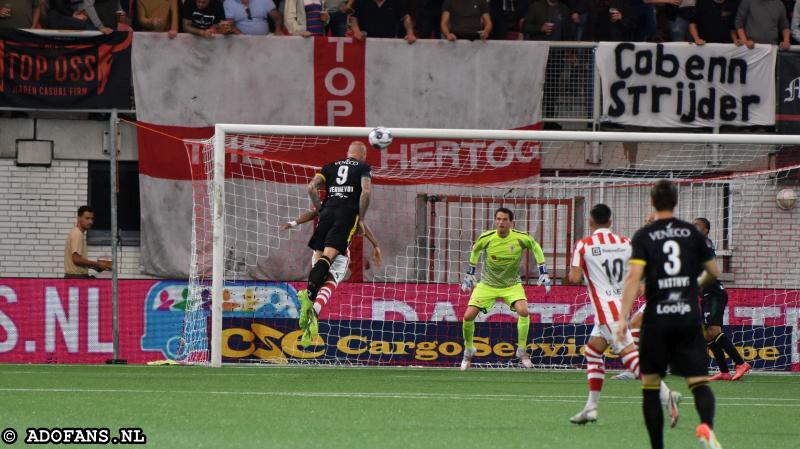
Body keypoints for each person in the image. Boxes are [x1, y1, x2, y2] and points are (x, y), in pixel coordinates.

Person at [616, 180, 723, 449]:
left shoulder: (644, 235)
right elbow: (714, 272)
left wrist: (621, 319)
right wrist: (693, 285)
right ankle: (706, 427)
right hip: (687, 315)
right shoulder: (692, 233)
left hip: (657, 318)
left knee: (651, 386)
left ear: (652, 201)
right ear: (676, 201)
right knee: (698, 381)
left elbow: (633, 278)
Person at [568, 204, 680, 427]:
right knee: (593, 351)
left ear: (590, 222)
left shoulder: (583, 245)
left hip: (607, 311)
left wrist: (591, 272)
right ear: (611, 222)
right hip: (622, 305)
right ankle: (591, 408)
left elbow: (573, 278)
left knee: (632, 360)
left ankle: (667, 396)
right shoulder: (626, 242)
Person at [297, 141, 372, 346]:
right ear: (363, 155)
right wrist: (361, 218)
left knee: (321, 258)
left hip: (327, 212)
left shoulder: (329, 167)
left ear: (347, 153)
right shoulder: (364, 168)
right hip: (346, 214)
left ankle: (308, 297)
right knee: (329, 259)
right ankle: (310, 300)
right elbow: (365, 192)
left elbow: (311, 187)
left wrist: (320, 208)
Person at [459, 207, 551, 370]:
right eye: (498, 219)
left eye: (504, 219)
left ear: (511, 222)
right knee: (468, 316)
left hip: (511, 285)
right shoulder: (487, 237)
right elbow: (476, 249)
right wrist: (470, 272)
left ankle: (521, 351)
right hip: (487, 285)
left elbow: (535, 246)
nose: (501, 222)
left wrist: (543, 270)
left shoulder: (520, 238)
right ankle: (468, 351)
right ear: (495, 221)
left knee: (524, 312)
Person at [281, 208, 382, 345]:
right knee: (330, 282)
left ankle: (308, 303)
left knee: (317, 282)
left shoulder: (330, 202)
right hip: (339, 251)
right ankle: (314, 313)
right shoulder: (351, 208)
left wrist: (293, 223)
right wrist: (376, 245)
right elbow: (363, 228)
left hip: (321, 247)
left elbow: (314, 213)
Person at [694, 217, 751, 381]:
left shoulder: (705, 243)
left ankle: (741, 363)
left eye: (698, 226)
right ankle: (724, 371)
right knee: (707, 335)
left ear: (706, 230)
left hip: (714, 293)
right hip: (705, 294)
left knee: (714, 330)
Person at [64, 206, 112, 278]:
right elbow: (76, 260)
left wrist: (96, 267)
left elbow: (78, 261)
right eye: (87, 218)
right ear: (79, 218)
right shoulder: (77, 234)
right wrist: (97, 264)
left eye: (92, 219)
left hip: (75, 277)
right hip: (76, 278)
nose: (90, 222)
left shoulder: (77, 233)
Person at [350, 0, 416, 42]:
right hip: (365, 41)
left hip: (389, 42)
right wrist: (357, 31)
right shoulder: (361, 1)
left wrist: (410, 33)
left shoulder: (396, 1)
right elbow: (354, 18)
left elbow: (406, 17)